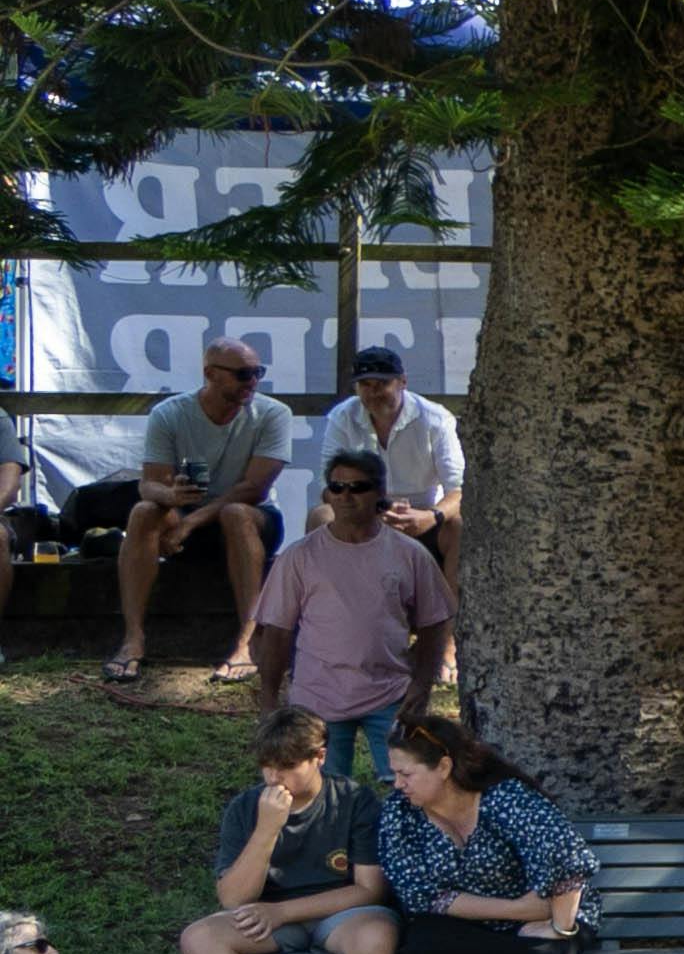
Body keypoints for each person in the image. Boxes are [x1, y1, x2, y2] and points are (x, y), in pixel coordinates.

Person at [357, 706, 591, 954]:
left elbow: (567, 863)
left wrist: (559, 926)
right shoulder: (401, 814)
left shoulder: (504, 798)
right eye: (394, 774)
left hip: (554, 914)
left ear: (443, 767)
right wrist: (522, 909)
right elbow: (421, 895)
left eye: (406, 774)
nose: (397, 784)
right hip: (489, 915)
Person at [173, 703, 392, 954]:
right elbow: (235, 899)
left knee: (377, 936)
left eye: (288, 767)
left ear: (319, 757)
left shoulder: (354, 800)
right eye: (267, 768)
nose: (275, 779)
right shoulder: (246, 807)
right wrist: (268, 828)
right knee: (199, 938)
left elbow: (369, 889)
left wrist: (284, 912)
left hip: (340, 912)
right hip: (268, 914)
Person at [245, 448, 456, 803]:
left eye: (357, 488)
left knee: (409, 793)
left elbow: (435, 623)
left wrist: (421, 685)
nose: (345, 496)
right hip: (318, 696)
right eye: (337, 487)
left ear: (379, 494)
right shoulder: (299, 555)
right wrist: (269, 697)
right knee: (319, 797)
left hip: (391, 693)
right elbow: (276, 632)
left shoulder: (410, 553)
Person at [107, 335, 291, 686]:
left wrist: (188, 523)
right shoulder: (170, 413)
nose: (252, 381)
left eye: (258, 372)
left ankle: (248, 642)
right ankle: (133, 638)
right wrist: (172, 495)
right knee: (144, 511)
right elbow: (149, 484)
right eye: (243, 374)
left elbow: (255, 488)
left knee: (235, 513)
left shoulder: (273, 414)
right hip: (187, 517)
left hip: (252, 518)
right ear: (211, 374)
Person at [302, 340, 463, 558]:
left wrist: (430, 517)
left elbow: (458, 490)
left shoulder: (436, 419)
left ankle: (450, 593)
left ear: (402, 382)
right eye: (365, 385)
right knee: (321, 516)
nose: (373, 393)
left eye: (381, 384)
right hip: (365, 511)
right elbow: (329, 487)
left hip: (425, 515)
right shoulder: (342, 417)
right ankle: (328, 592)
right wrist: (374, 512)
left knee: (458, 525)